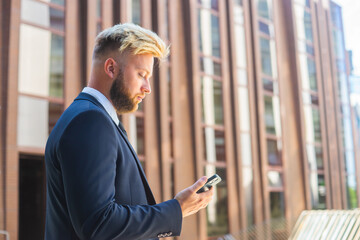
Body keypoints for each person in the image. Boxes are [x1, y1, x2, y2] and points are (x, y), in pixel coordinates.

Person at [44, 23, 214, 240]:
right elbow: (98, 223)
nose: (147, 87)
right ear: (111, 68)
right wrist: (176, 209)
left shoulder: (91, 118)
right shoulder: (90, 121)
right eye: (142, 74)